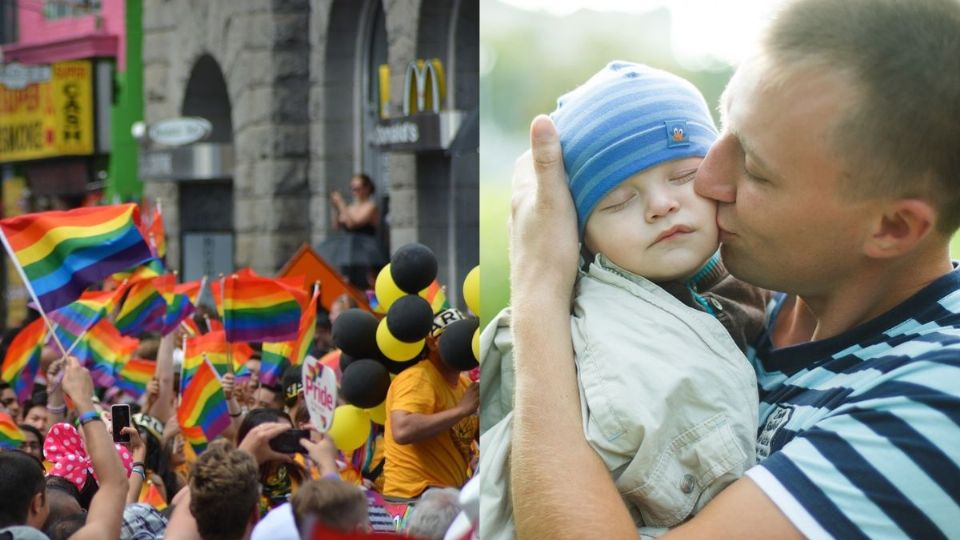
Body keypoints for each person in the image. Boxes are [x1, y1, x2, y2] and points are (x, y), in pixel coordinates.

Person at [506, 0, 960, 538]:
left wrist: (538, 282)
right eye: (724, 133)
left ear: (891, 228)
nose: (706, 181)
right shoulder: (748, 297)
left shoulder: (935, 403)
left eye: (757, 170)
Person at [480, 62, 765, 537]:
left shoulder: (756, 274)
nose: (661, 204)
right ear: (578, 236)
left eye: (684, 176)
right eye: (618, 201)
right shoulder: (600, 342)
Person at [382, 309, 480, 500]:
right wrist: (461, 410)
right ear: (432, 342)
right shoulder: (417, 378)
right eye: (453, 336)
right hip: (412, 498)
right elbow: (402, 430)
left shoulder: (465, 385)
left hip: (448, 497)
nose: (463, 343)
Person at [319, 174, 387, 288]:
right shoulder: (350, 208)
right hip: (350, 250)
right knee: (347, 282)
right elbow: (336, 225)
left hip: (365, 251)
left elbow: (352, 223)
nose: (354, 191)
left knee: (365, 283)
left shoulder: (371, 206)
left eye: (357, 188)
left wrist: (341, 203)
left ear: (367, 188)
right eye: (352, 188)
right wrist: (335, 207)